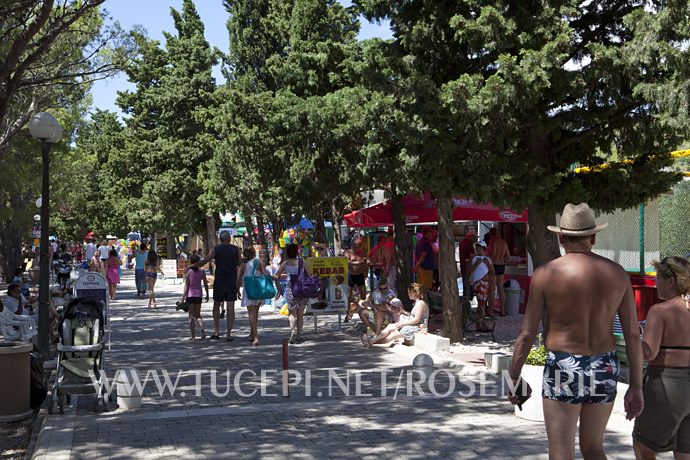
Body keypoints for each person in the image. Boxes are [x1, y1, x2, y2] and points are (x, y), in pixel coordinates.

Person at [508, 203, 644, 459]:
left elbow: (526, 334)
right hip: (604, 365)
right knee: (594, 448)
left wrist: (513, 377)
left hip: (563, 365)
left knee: (561, 450)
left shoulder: (545, 274)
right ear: (593, 237)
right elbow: (633, 335)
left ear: (561, 238)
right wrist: (636, 386)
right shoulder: (618, 274)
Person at [633, 256, 690, 459]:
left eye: (657, 277)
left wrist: (633, 339)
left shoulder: (660, 311)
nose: (655, 282)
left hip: (666, 384)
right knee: (684, 452)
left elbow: (649, 352)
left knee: (644, 445)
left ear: (671, 282)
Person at [188, 230, 240, 341]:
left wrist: (192, 266)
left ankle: (217, 331)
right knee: (231, 307)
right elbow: (240, 264)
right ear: (229, 239)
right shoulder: (236, 250)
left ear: (220, 239)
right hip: (231, 280)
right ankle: (229, 334)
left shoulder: (216, 249)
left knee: (216, 305)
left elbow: (205, 260)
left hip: (220, 281)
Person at [273, 243, 312, 344]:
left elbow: (277, 276)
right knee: (300, 315)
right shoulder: (302, 261)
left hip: (291, 290)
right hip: (302, 290)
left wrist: (276, 285)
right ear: (296, 252)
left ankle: (293, 332)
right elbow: (310, 274)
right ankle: (299, 335)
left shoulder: (285, 263)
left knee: (292, 314)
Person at [237, 246, 268, 346]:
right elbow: (265, 274)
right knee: (255, 314)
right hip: (258, 290)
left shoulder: (242, 265)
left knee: (251, 314)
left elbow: (238, 279)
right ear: (254, 253)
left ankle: (255, 337)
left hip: (248, 291)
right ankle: (252, 333)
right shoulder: (259, 262)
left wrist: (237, 290)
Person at [355, 277, 396, 342]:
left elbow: (385, 306)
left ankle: (377, 335)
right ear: (378, 288)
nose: (383, 290)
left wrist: (372, 305)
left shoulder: (391, 294)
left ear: (387, 286)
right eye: (381, 289)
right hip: (376, 313)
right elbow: (365, 303)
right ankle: (372, 330)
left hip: (388, 315)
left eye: (385, 288)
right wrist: (352, 312)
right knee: (362, 312)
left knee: (380, 312)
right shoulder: (375, 293)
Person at [467, 241, 495, 331]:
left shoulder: (488, 259)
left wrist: (488, 264)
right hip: (478, 283)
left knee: (481, 304)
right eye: (477, 248)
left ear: (484, 249)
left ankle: (479, 324)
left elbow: (493, 272)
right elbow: (469, 271)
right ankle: (483, 324)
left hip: (485, 284)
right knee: (482, 304)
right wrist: (477, 264)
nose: (478, 250)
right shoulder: (474, 258)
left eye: (480, 248)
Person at [181, 254, 208, 341]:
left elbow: (187, 285)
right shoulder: (202, 272)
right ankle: (202, 331)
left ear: (191, 262)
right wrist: (207, 294)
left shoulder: (189, 272)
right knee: (198, 315)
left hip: (190, 295)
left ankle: (193, 336)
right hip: (199, 295)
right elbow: (205, 284)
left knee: (191, 316)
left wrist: (183, 298)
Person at [487, 227, 510, 316]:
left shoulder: (492, 241)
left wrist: (485, 256)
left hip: (494, 265)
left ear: (490, 233)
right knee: (500, 289)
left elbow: (493, 253)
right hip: (501, 265)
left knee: (492, 289)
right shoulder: (503, 242)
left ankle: (491, 311)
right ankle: (502, 311)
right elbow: (508, 257)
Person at [459, 228, 476, 298]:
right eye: (474, 237)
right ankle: (467, 300)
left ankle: (465, 300)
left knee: (465, 284)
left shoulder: (462, 243)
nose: (475, 239)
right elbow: (472, 256)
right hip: (468, 268)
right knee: (468, 285)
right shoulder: (469, 243)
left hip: (463, 266)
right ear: (471, 236)